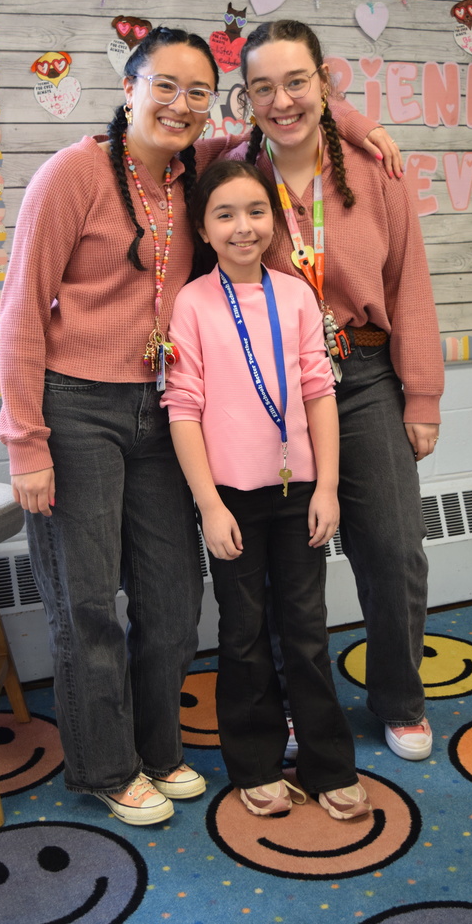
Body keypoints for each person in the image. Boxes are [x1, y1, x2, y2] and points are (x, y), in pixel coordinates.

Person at [0, 25, 393, 826]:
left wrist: (351, 124)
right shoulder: (71, 175)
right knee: (88, 603)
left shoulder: (194, 170)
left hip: (164, 409)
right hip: (78, 407)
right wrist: (25, 441)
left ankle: (158, 749)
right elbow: (16, 315)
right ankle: (106, 767)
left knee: (172, 602)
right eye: (164, 87)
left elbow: (287, 121)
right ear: (128, 90)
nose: (180, 105)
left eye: (198, 93)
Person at [228, 20, 445, 762]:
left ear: (324, 80)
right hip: (271, 391)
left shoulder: (372, 168)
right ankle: (301, 706)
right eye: (263, 87)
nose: (281, 100)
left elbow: (408, 283)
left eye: (297, 82)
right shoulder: (230, 168)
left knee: (392, 550)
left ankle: (399, 697)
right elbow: (159, 146)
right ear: (245, 97)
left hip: (361, 378)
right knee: (290, 567)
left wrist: (422, 395)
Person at [162, 160, 371, 820]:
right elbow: (183, 407)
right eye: (223, 214)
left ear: (275, 220)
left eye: (255, 211)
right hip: (230, 499)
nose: (242, 226)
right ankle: (253, 763)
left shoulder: (297, 294)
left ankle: (326, 763)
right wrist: (208, 505)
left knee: (306, 631)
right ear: (202, 228)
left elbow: (318, 391)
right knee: (244, 633)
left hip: (300, 490)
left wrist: (328, 487)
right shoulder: (192, 303)